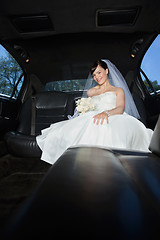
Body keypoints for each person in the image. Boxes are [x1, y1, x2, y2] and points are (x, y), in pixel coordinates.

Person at [36, 59, 153, 165]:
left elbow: (120, 108)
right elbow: (90, 106)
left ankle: (111, 164)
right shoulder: (91, 92)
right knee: (87, 125)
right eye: (94, 75)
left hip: (115, 115)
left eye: (99, 72)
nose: (97, 77)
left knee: (109, 128)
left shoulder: (118, 90)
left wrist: (106, 113)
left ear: (106, 71)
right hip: (94, 115)